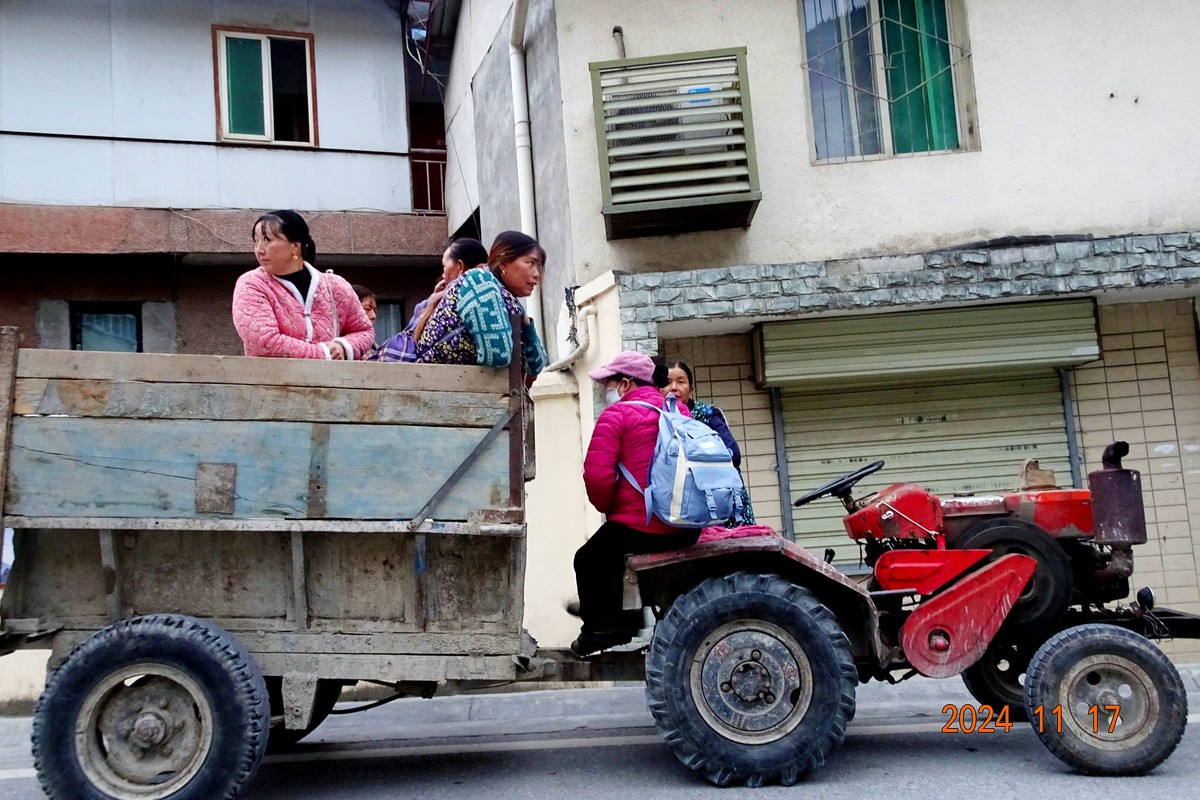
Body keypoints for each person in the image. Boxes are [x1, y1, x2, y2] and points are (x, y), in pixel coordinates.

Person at [572, 352, 701, 657]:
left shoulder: (616, 416)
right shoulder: (679, 412)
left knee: (589, 559)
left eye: (609, 383)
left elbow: (598, 478)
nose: (607, 390)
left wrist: (608, 508)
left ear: (626, 383)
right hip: (687, 527)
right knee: (612, 551)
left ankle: (604, 630)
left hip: (645, 527)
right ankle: (626, 620)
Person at [232, 210, 375, 360]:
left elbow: (364, 331)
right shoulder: (252, 284)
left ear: (295, 246)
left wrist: (342, 347)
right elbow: (265, 341)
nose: (259, 250)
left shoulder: (335, 286)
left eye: (267, 240)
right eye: (256, 241)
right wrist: (324, 354)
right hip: (273, 381)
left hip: (330, 381)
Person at [413, 231, 547, 382]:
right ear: (504, 262)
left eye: (539, 265)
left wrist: (526, 322)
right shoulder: (480, 281)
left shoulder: (506, 298)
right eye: (530, 263)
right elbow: (498, 356)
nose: (536, 274)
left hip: (460, 388)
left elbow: (536, 366)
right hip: (438, 386)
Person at [662, 361, 756, 526]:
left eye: (681, 381)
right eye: (667, 382)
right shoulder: (659, 420)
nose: (674, 387)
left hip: (719, 500)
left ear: (691, 389)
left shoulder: (708, 414)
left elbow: (733, 455)